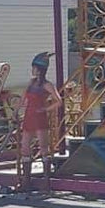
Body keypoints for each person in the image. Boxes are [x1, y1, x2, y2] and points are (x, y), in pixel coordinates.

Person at [18, 52, 61, 191]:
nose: (33, 70)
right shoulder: (31, 83)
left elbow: (58, 101)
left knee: (43, 148)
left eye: (35, 67)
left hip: (39, 117)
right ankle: (26, 181)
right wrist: (15, 111)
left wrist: (45, 109)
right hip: (29, 116)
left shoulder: (47, 85)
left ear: (40, 69)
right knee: (25, 146)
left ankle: (46, 182)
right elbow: (23, 99)